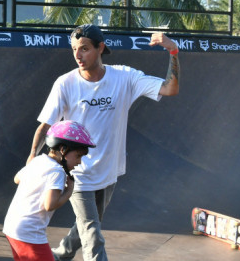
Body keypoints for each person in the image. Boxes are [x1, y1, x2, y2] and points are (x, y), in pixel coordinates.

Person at [28, 24, 180, 261]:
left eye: (85, 49)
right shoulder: (65, 83)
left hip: (108, 171)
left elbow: (170, 88)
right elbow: (45, 126)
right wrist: (31, 161)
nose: (78, 55)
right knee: (93, 235)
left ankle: (61, 255)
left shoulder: (125, 77)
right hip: (77, 173)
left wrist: (173, 50)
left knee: (88, 225)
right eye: (75, 49)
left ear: (100, 48)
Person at [4, 121, 95, 261]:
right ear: (63, 149)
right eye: (78, 156)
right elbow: (50, 205)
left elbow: (17, 179)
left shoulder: (39, 160)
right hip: (30, 232)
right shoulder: (57, 172)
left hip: (12, 226)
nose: (80, 162)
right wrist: (69, 190)